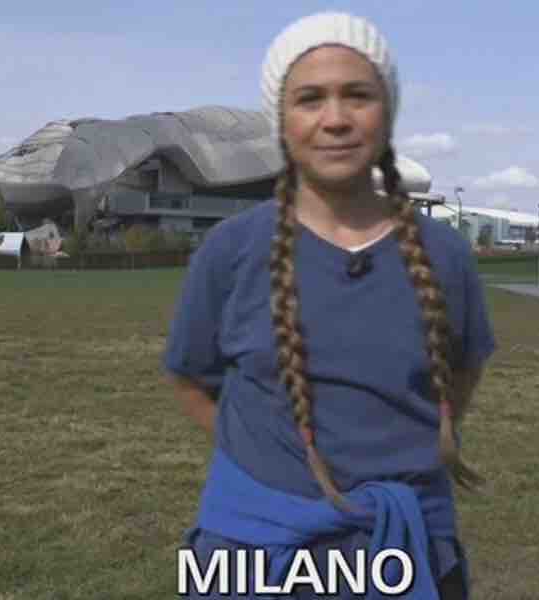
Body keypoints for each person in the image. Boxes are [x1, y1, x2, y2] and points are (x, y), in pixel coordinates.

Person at [163, 11, 497, 599]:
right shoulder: (230, 251)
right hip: (252, 554)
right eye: (310, 98)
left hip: (407, 550)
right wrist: (271, 460)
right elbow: (191, 380)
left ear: (387, 112)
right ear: (282, 120)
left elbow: (461, 378)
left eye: (358, 95)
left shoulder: (445, 255)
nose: (335, 119)